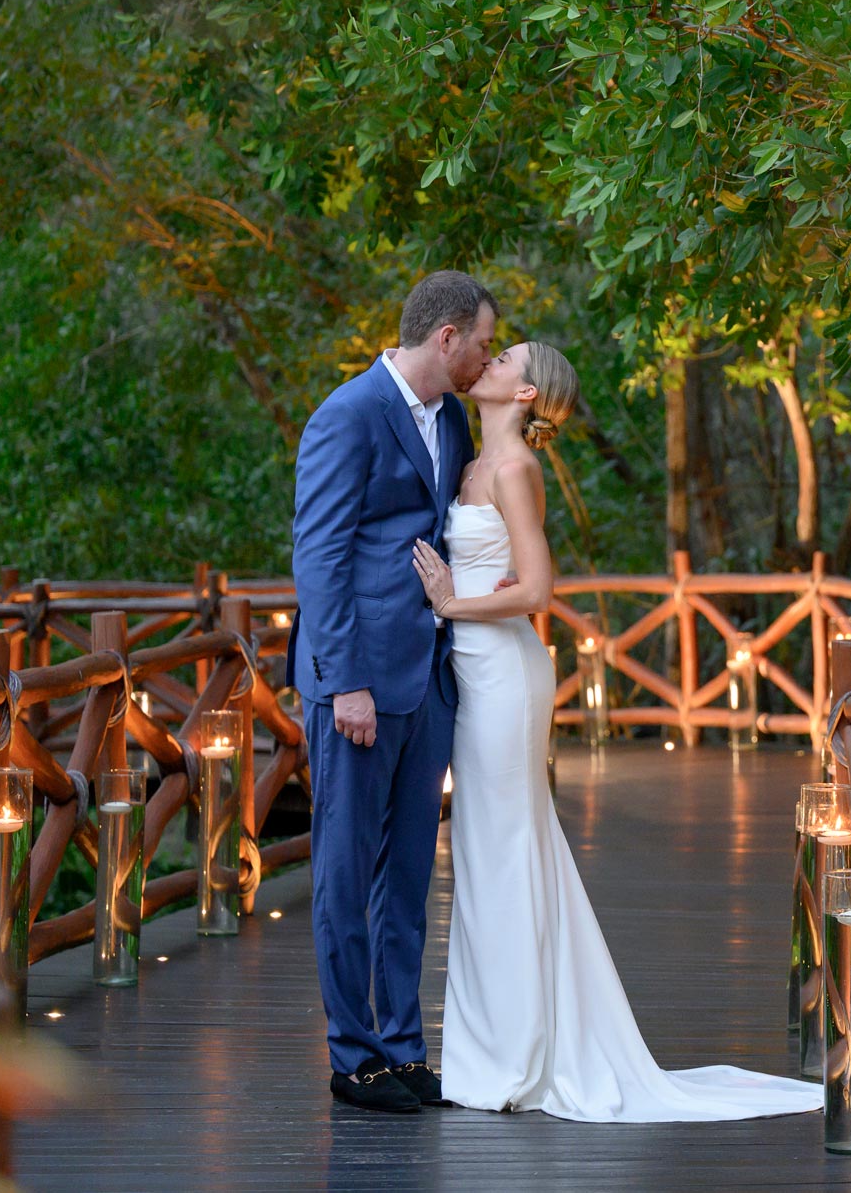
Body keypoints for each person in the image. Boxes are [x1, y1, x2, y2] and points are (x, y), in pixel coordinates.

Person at [411, 341, 821, 1121]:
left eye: (504, 357)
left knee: (505, 848)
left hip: (503, 675)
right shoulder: (466, 457)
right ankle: (490, 1046)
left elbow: (537, 586)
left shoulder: (515, 472)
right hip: (471, 669)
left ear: (526, 391)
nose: (490, 358)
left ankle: (516, 1054)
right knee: (484, 850)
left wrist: (452, 603)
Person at [288, 270, 494, 1113]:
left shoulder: (451, 418)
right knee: (343, 868)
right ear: (445, 336)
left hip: (429, 684)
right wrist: (345, 684)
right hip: (359, 687)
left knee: (408, 873)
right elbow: (320, 557)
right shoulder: (346, 415)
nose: (487, 355)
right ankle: (353, 1055)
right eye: (482, 341)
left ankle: (404, 1047)